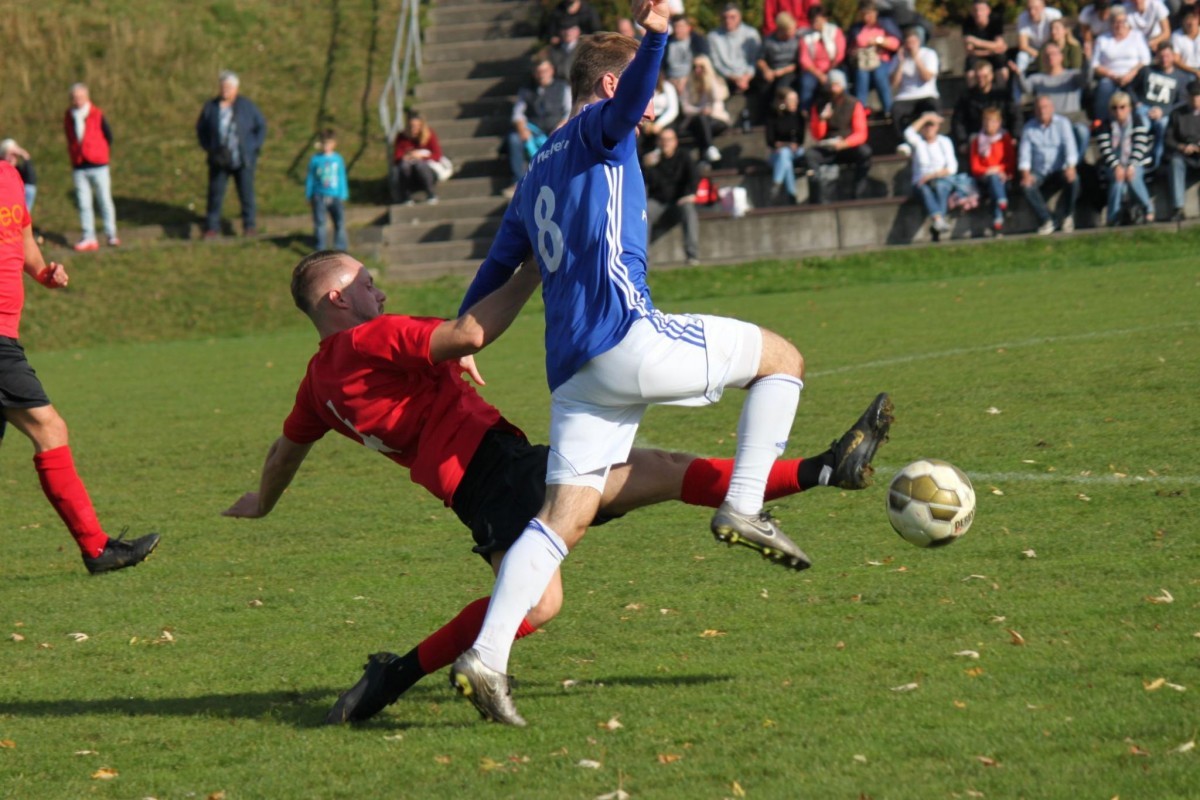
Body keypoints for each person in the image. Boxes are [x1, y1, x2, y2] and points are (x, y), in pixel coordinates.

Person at [450, 0, 892, 726]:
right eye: (641, 88)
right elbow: (627, 107)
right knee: (783, 360)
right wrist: (654, 34)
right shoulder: (597, 130)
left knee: (562, 519)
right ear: (607, 88)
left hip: (574, 374)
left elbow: (498, 267)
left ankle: (486, 658)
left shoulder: (535, 172)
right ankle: (742, 506)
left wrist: (464, 339)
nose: (651, 104)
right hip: (627, 337)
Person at [224, 251, 890, 725]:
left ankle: (826, 468)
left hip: (488, 478)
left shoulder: (318, 382)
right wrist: (532, 273)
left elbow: (285, 451)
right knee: (541, 602)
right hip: (496, 473)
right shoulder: (370, 339)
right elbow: (467, 333)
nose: (380, 292)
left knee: (658, 472)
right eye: (368, 284)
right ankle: (395, 677)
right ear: (337, 299)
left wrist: (262, 502)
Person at [0, 160, 160, 574]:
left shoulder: (9, 176)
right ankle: (96, 548)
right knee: (49, 428)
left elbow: (22, 238)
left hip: (7, 333)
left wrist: (43, 273)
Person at [196, 71, 267, 238]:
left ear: (236, 88)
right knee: (215, 194)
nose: (225, 90)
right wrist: (209, 147)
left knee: (246, 193)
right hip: (219, 159)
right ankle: (212, 227)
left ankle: (249, 226)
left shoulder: (246, 106)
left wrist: (253, 146)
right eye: (223, 87)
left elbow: (261, 126)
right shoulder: (211, 107)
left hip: (243, 159)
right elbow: (201, 129)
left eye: (228, 87)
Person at [503, 59, 572, 198]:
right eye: (538, 71)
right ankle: (518, 181)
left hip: (558, 129)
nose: (542, 75)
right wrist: (522, 129)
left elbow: (569, 111)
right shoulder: (526, 90)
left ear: (551, 71)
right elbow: (518, 114)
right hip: (534, 131)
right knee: (514, 139)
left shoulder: (563, 87)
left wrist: (561, 126)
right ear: (534, 73)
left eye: (545, 71)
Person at [63, 83, 118, 252]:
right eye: (74, 98)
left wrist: (99, 152)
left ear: (87, 97)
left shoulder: (96, 114)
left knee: (104, 200)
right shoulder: (69, 116)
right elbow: (70, 137)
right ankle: (89, 237)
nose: (77, 100)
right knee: (84, 203)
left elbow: (108, 136)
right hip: (79, 166)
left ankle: (111, 234)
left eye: (80, 97)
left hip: (98, 165)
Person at [806, 69, 873, 203]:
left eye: (836, 84)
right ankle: (818, 197)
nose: (833, 88)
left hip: (848, 146)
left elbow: (861, 133)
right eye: (831, 84)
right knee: (810, 155)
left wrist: (845, 143)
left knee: (865, 153)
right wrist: (822, 120)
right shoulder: (819, 105)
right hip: (828, 146)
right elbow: (817, 135)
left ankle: (858, 193)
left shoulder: (854, 104)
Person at [1019, 94, 1081, 234]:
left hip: (1060, 169)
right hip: (1039, 172)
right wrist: (1026, 174)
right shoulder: (1028, 128)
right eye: (1039, 108)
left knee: (1074, 179)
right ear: (1035, 111)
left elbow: (1070, 148)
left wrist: (1070, 167)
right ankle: (1047, 220)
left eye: (1045, 107)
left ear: (1052, 108)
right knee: (1026, 185)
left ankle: (1067, 216)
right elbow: (1024, 155)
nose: (1042, 111)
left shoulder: (1063, 124)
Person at [1019, 42, 1092, 155]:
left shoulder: (1073, 75)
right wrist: (1019, 74)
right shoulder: (1036, 79)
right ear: (1043, 60)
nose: (1050, 57)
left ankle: (1075, 162)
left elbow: (1087, 79)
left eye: (1053, 54)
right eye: (1047, 55)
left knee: (1082, 131)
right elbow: (1026, 89)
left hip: (1072, 119)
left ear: (1061, 56)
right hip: (1049, 122)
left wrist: (1087, 60)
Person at [643, 127, 701, 264]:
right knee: (644, 213)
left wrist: (691, 194)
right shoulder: (652, 159)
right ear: (658, 142)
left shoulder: (684, 156)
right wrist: (646, 167)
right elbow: (646, 182)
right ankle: (643, 257)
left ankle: (692, 255)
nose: (665, 143)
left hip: (680, 200)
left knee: (689, 210)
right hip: (658, 201)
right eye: (662, 140)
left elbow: (694, 176)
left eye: (669, 140)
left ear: (675, 142)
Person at [1097, 90, 1156, 223]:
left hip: (1137, 162)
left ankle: (1148, 209)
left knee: (1132, 177)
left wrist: (1131, 165)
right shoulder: (1105, 125)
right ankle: (1113, 217)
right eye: (1115, 108)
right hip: (1113, 164)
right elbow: (1105, 150)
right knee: (1117, 180)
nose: (1118, 111)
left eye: (1122, 107)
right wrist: (1116, 166)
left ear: (1129, 108)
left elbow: (1140, 146)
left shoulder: (1137, 121)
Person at [1092, 6, 1152, 120]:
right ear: (1111, 23)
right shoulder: (1102, 39)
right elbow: (1095, 64)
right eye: (1116, 22)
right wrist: (1112, 75)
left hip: (1133, 76)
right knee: (1104, 87)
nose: (1119, 25)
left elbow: (1145, 60)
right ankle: (1101, 122)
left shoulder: (1137, 36)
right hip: (1110, 77)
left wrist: (1130, 74)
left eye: (1122, 21)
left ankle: (1141, 119)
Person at [904, 111, 958, 235]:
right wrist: (925, 118)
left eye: (931, 125)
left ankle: (938, 222)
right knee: (924, 190)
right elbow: (908, 133)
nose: (929, 128)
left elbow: (952, 168)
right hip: (921, 183)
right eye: (925, 125)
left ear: (937, 127)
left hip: (941, 179)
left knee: (941, 187)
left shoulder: (945, 141)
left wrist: (931, 176)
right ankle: (939, 220)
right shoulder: (918, 142)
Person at [1137, 42, 1187, 168]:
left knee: (1163, 126)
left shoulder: (1180, 77)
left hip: (1164, 111)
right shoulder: (1147, 70)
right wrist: (1136, 103)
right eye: (1161, 56)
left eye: (1167, 56)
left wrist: (1164, 112)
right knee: (1142, 125)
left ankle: (1157, 162)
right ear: (1157, 56)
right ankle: (1139, 158)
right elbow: (1132, 89)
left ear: (1173, 56)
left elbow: (1181, 102)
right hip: (1144, 107)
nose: (1164, 59)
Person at [952, 61, 1017, 156]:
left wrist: (1015, 136)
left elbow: (1015, 116)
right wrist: (962, 141)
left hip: (1000, 137)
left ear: (991, 76)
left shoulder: (1002, 95)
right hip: (976, 140)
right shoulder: (966, 97)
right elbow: (958, 121)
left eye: (985, 76)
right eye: (978, 77)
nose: (981, 80)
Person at [969, 106, 1017, 233]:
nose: (989, 124)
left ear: (999, 123)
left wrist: (999, 169)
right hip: (984, 176)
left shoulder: (1005, 138)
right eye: (986, 120)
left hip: (1004, 176)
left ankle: (998, 219)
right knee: (993, 178)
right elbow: (975, 167)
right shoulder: (977, 141)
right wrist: (989, 171)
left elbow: (1011, 162)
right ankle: (1002, 202)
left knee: (996, 182)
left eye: (993, 121)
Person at [848, 0, 902, 116]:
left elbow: (896, 44)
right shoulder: (857, 28)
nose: (867, 17)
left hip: (882, 59)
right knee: (861, 77)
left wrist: (879, 41)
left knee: (879, 75)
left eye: (869, 14)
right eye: (864, 14)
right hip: (863, 61)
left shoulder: (884, 24)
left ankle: (888, 109)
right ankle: (859, 112)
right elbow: (850, 47)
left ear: (875, 13)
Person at [889, 26, 940, 136]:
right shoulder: (898, 58)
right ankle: (903, 139)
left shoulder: (929, 54)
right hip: (905, 96)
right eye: (908, 43)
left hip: (926, 94)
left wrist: (916, 58)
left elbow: (927, 77)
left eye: (913, 42)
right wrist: (901, 63)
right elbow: (894, 83)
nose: (911, 45)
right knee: (896, 110)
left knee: (932, 107)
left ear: (919, 42)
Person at [681, 54, 732, 163]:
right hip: (696, 120)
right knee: (701, 120)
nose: (697, 70)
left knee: (702, 127)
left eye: (701, 67)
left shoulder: (716, 81)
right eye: (695, 67)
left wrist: (709, 78)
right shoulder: (688, 85)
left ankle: (704, 158)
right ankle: (710, 148)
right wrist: (700, 110)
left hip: (716, 119)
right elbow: (686, 108)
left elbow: (717, 98)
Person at [305, 129, 349, 251]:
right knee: (320, 222)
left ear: (334, 144)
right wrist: (309, 194)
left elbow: (341, 177)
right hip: (319, 195)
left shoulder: (338, 159)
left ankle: (341, 248)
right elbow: (311, 178)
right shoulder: (315, 159)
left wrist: (343, 194)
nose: (326, 146)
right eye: (324, 143)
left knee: (339, 222)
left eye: (329, 143)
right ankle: (320, 248)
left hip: (335, 196)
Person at [707, 3, 762, 100]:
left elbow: (755, 59)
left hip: (749, 78)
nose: (728, 21)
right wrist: (733, 77)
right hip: (725, 79)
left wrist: (746, 77)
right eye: (725, 17)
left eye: (732, 17)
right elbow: (716, 63)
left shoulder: (751, 34)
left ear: (740, 17)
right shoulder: (713, 37)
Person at [798, 6, 846, 111]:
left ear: (825, 19)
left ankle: (843, 110)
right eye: (812, 21)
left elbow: (840, 53)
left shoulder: (835, 31)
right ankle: (806, 112)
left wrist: (831, 69)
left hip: (833, 67)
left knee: (839, 81)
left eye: (817, 21)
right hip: (814, 71)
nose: (814, 24)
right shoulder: (805, 36)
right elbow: (804, 59)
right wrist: (819, 75)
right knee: (806, 83)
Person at [390, 111, 444, 205]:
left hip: (427, 170)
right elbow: (397, 156)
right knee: (404, 165)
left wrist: (421, 156)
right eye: (411, 126)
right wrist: (407, 157)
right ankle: (406, 196)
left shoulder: (429, 134)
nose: (413, 129)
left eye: (417, 126)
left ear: (422, 125)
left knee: (420, 164)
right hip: (409, 173)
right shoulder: (402, 137)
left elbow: (437, 155)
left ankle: (431, 193)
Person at [1165, 78, 1200, 218]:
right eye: (1192, 96)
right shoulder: (1177, 114)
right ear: (1187, 97)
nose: (1195, 99)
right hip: (1184, 154)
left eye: (1198, 95)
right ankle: (1178, 208)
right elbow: (1168, 138)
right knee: (1175, 162)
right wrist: (1182, 147)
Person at [755, 11, 800, 119]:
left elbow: (798, 63)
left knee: (782, 89)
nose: (792, 32)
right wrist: (766, 70)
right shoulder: (768, 41)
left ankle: (782, 116)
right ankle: (764, 117)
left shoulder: (796, 41)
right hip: (772, 70)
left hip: (789, 71)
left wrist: (782, 71)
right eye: (789, 30)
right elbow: (760, 59)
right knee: (764, 87)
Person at [765, 87, 806, 203]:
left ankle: (777, 182)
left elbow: (800, 139)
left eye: (796, 100)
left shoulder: (799, 116)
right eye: (791, 100)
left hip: (796, 152)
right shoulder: (773, 116)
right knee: (785, 158)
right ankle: (791, 195)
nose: (795, 103)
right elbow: (770, 140)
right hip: (778, 153)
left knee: (785, 155)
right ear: (783, 102)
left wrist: (787, 144)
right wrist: (785, 145)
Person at [1015, 0, 1064, 76]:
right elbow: (1023, 45)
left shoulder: (1054, 15)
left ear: (1043, 7)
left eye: (1036, 8)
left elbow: (1060, 37)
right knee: (1021, 56)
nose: (1032, 12)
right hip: (1032, 51)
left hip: (1050, 48)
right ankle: (1020, 80)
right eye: (1029, 9)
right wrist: (1041, 55)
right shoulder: (1023, 18)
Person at [665, 15, 709, 95]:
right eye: (675, 26)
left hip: (692, 78)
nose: (677, 30)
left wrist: (686, 79)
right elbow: (660, 66)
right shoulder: (666, 42)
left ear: (688, 27)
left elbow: (704, 58)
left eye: (680, 26)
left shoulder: (697, 40)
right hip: (670, 79)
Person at [962, 1, 1009, 77]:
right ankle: (973, 85)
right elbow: (970, 51)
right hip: (979, 56)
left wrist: (976, 42)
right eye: (975, 10)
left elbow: (999, 45)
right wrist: (992, 50)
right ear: (972, 12)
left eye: (981, 10)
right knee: (970, 68)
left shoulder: (995, 20)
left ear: (988, 11)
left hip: (994, 56)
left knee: (1001, 62)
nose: (978, 13)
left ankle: (1002, 85)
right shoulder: (967, 23)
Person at [0, 140, 36, 213]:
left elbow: (30, 183)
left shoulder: (16, 171)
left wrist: (25, 156)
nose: (12, 158)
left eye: (15, 155)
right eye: (10, 154)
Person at [1172, 6, 1200, 77]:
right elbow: (1176, 60)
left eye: (1193, 18)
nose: (1191, 23)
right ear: (1182, 21)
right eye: (1188, 19)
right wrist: (1195, 71)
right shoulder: (1176, 36)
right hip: (1185, 72)